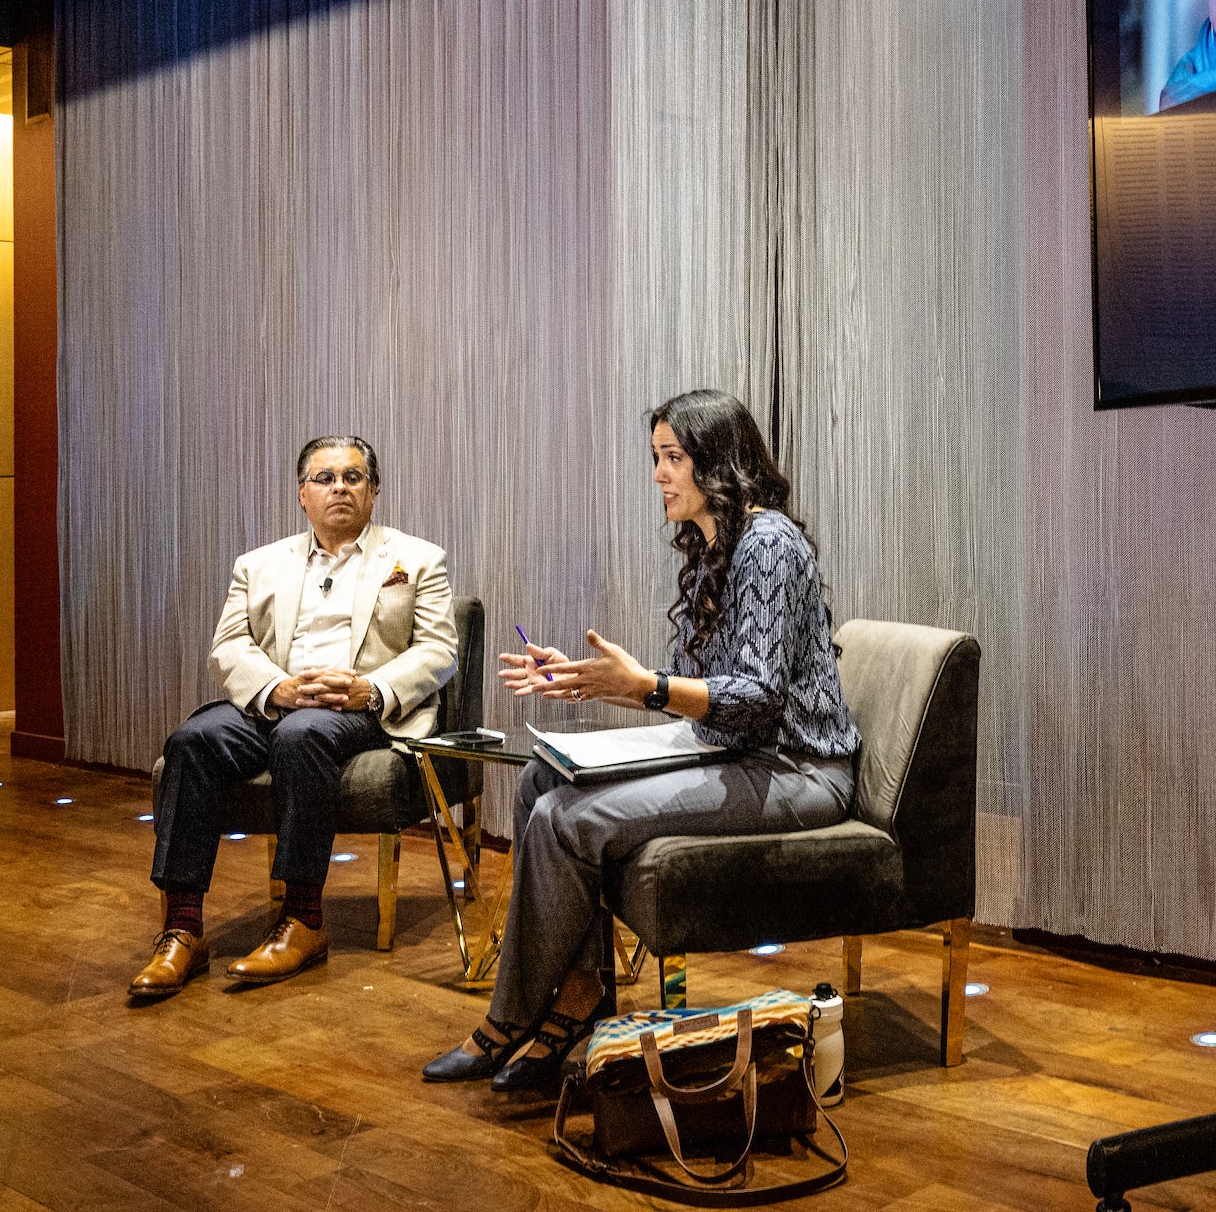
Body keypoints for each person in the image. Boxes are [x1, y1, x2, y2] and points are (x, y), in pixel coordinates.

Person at [423, 390, 860, 1092]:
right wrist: (592, 676)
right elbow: (695, 685)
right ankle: (579, 998)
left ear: (719, 462)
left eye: (673, 458)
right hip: (734, 750)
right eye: (656, 457)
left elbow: (758, 698)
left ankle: (510, 1020)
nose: (659, 474)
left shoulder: (768, 543)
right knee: (542, 779)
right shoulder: (715, 541)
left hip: (797, 767)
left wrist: (640, 686)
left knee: (570, 815)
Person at [130, 436, 457, 998]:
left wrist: (369, 688)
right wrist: (276, 687)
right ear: (301, 494)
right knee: (191, 741)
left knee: (303, 737)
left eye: (353, 478)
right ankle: (183, 929)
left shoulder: (417, 559)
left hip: (357, 708)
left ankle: (303, 919)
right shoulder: (257, 565)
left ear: (374, 493)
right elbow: (229, 646)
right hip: (273, 701)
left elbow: (439, 650)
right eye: (325, 478)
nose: (340, 488)